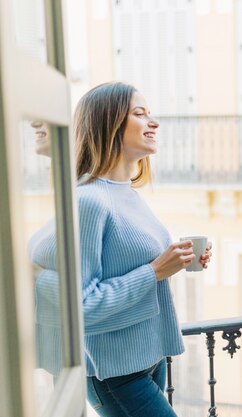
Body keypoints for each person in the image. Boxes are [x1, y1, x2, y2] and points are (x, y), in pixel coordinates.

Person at [30, 81, 211, 416]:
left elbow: (129, 262)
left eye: (150, 114)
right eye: (140, 114)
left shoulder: (125, 192)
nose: (153, 122)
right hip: (114, 373)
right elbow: (79, 306)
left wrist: (176, 259)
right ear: (108, 124)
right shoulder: (88, 201)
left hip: (149, 359)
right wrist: (156, 270)